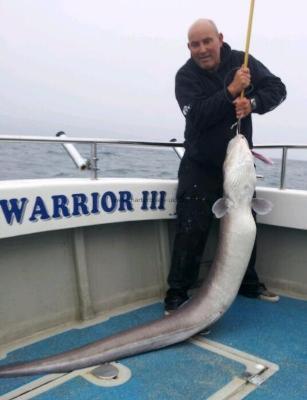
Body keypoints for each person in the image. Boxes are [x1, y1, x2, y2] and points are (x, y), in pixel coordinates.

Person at [164, 19, 287, 313]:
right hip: (200, 166)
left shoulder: (242, 62)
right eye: (195, 44)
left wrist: (253, 103)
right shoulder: (186, 77)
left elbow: (278, 89)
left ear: (220, 39)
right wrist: (232, 90)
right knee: (191, 228)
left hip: (237, 166)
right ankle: (177, 293)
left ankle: (248, 283)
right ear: (189, 47)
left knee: (245, 225)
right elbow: (198, 116)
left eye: (207, 41)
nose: (203, 49)